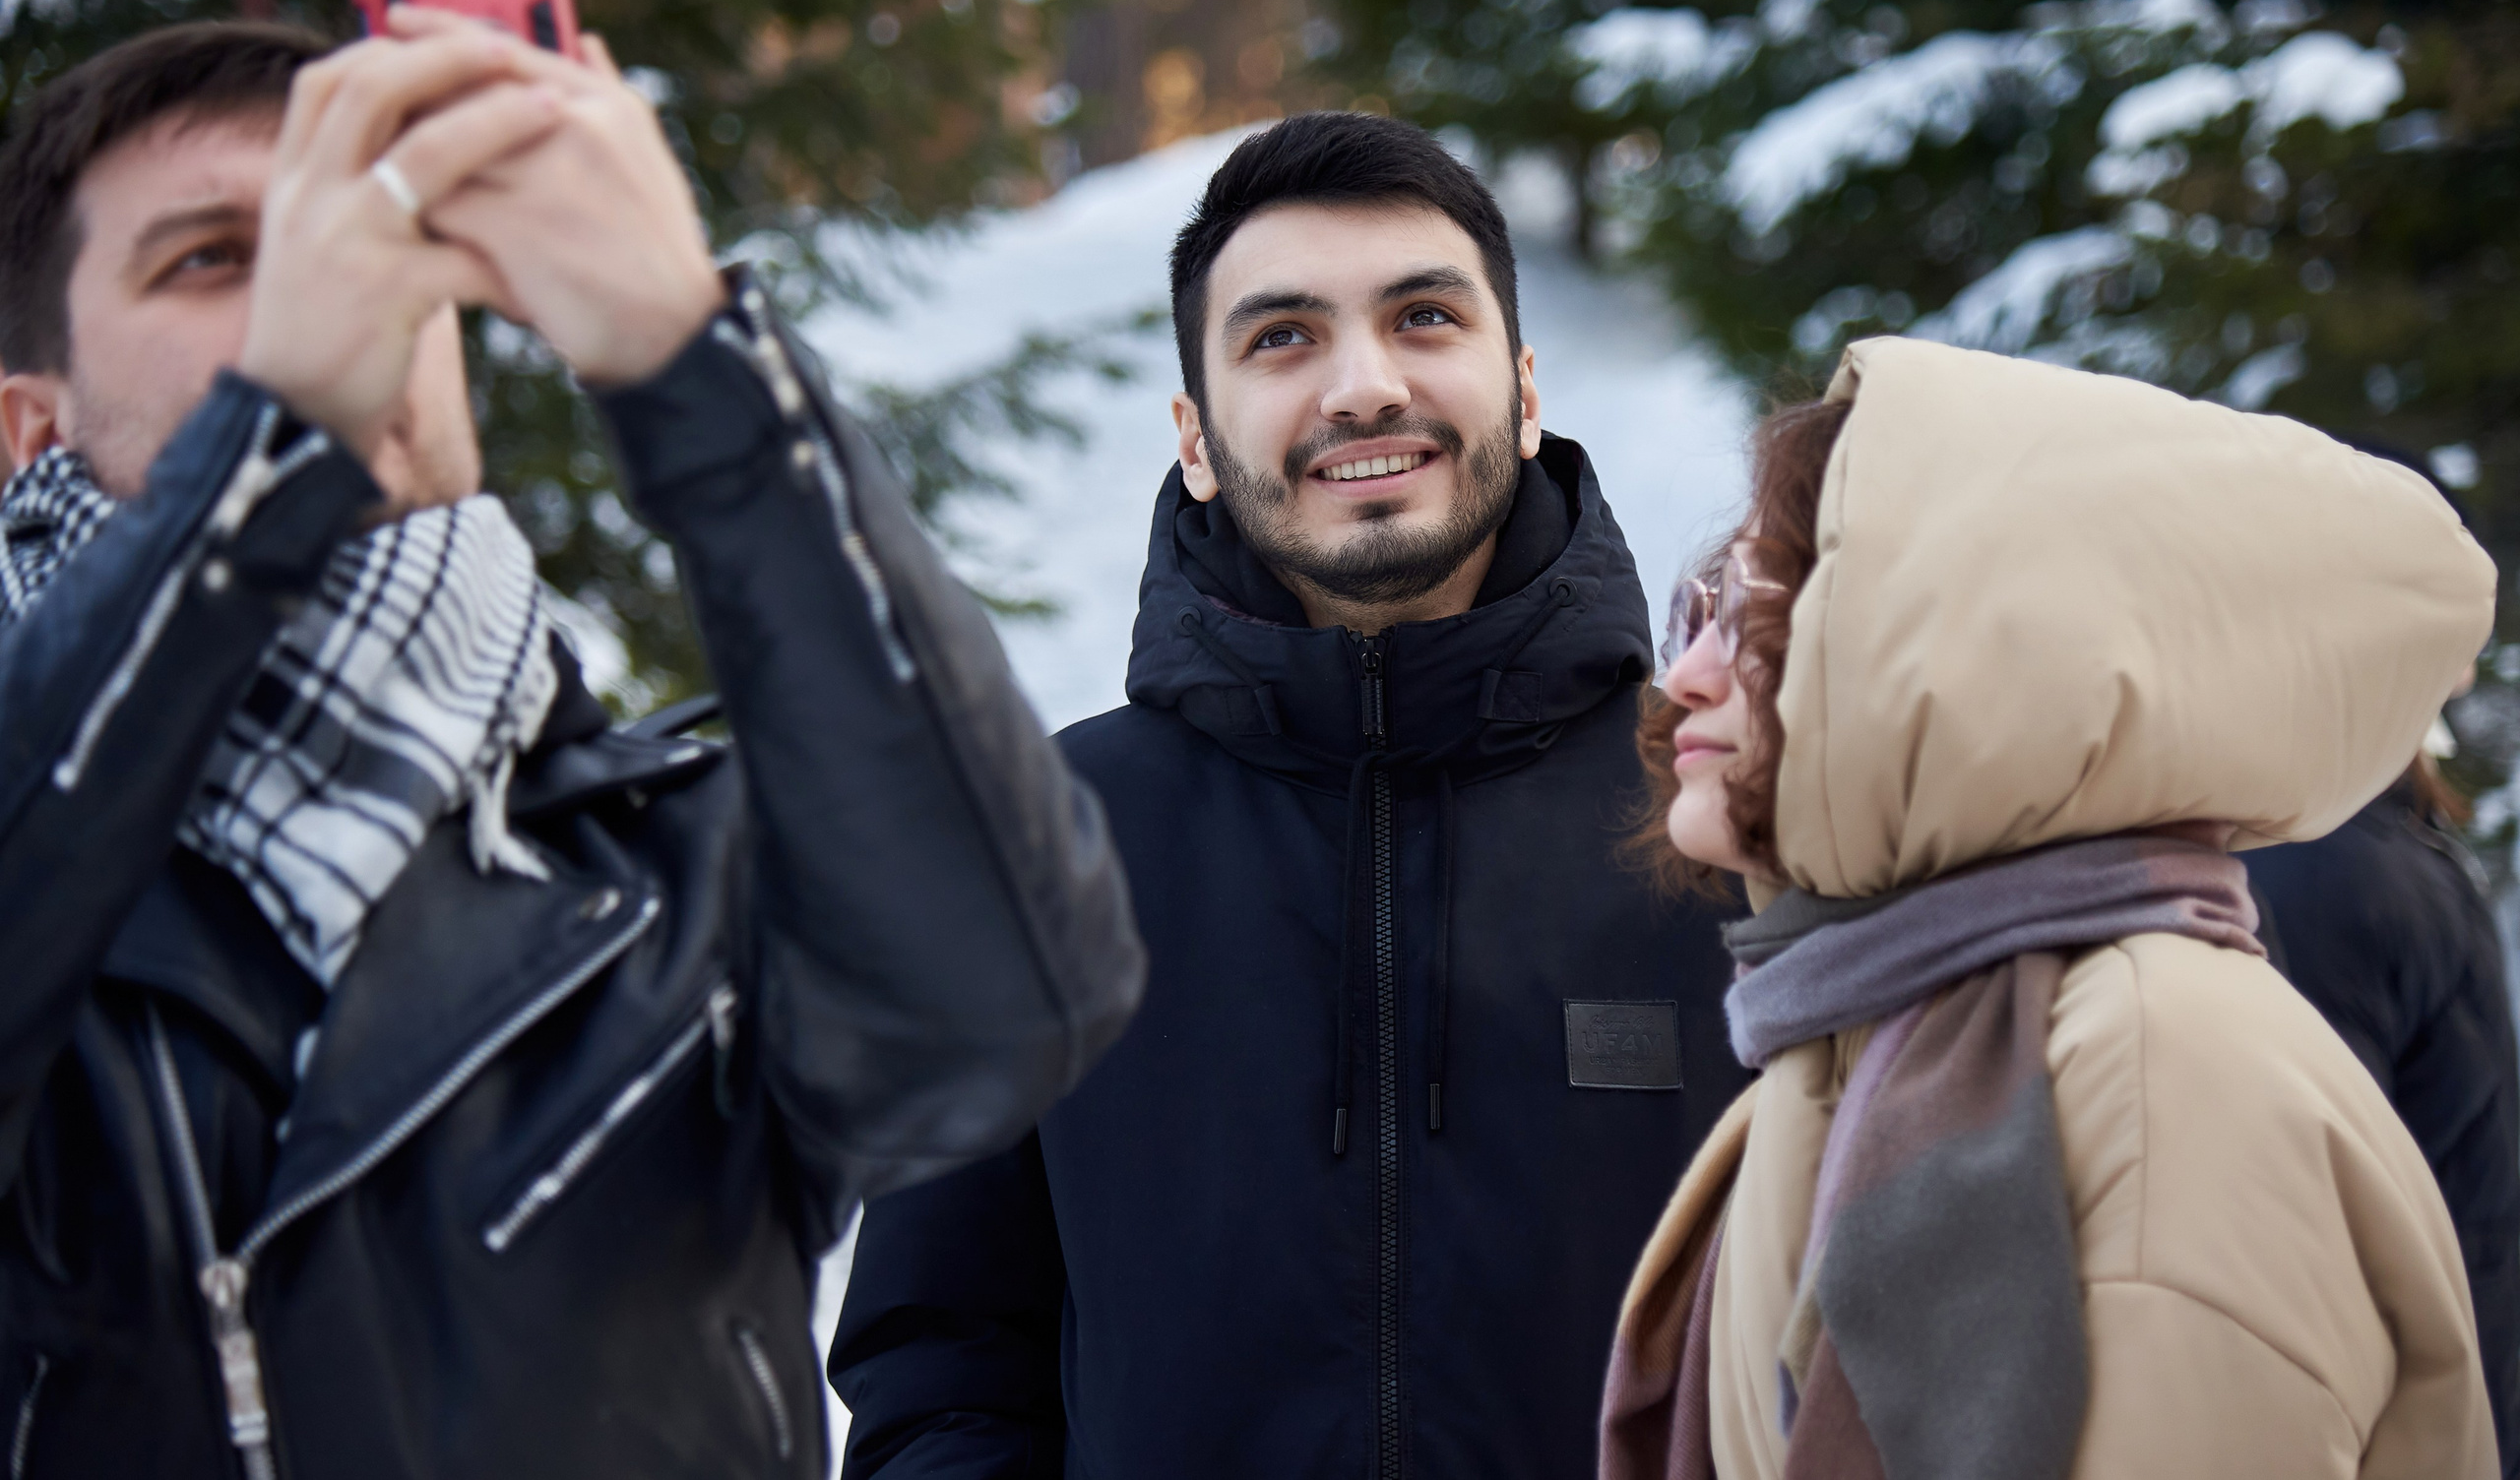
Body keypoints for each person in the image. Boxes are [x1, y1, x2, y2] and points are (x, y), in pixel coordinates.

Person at [0, 15, 1143, 1478]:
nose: (327, 298)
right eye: (218, 258)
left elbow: (1017, 1007)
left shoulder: (682, 866)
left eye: (368, 239)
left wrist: (690, 355)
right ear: (35, 430)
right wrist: (262, 455)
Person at [828, 112, 1755, 1477]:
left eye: (1425, 318)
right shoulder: (1040, 847)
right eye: (1284, 337)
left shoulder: (1726, 812)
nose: (1363, 385)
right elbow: (942, 1373)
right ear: (1196, 438)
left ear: (1523, 388)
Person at [1603, 337, 2498, 1480]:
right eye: (1701, 602)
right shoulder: (1856, 1026)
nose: (1687, 672)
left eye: (1760, 608)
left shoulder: (2154, 1079)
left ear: (1970, 653)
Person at [2247, 749, 2520, 1474]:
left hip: (2469, 1348)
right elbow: (2331, 1212)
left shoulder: (2373, 833)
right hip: (2417, 1390)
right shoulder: (2324, 864)